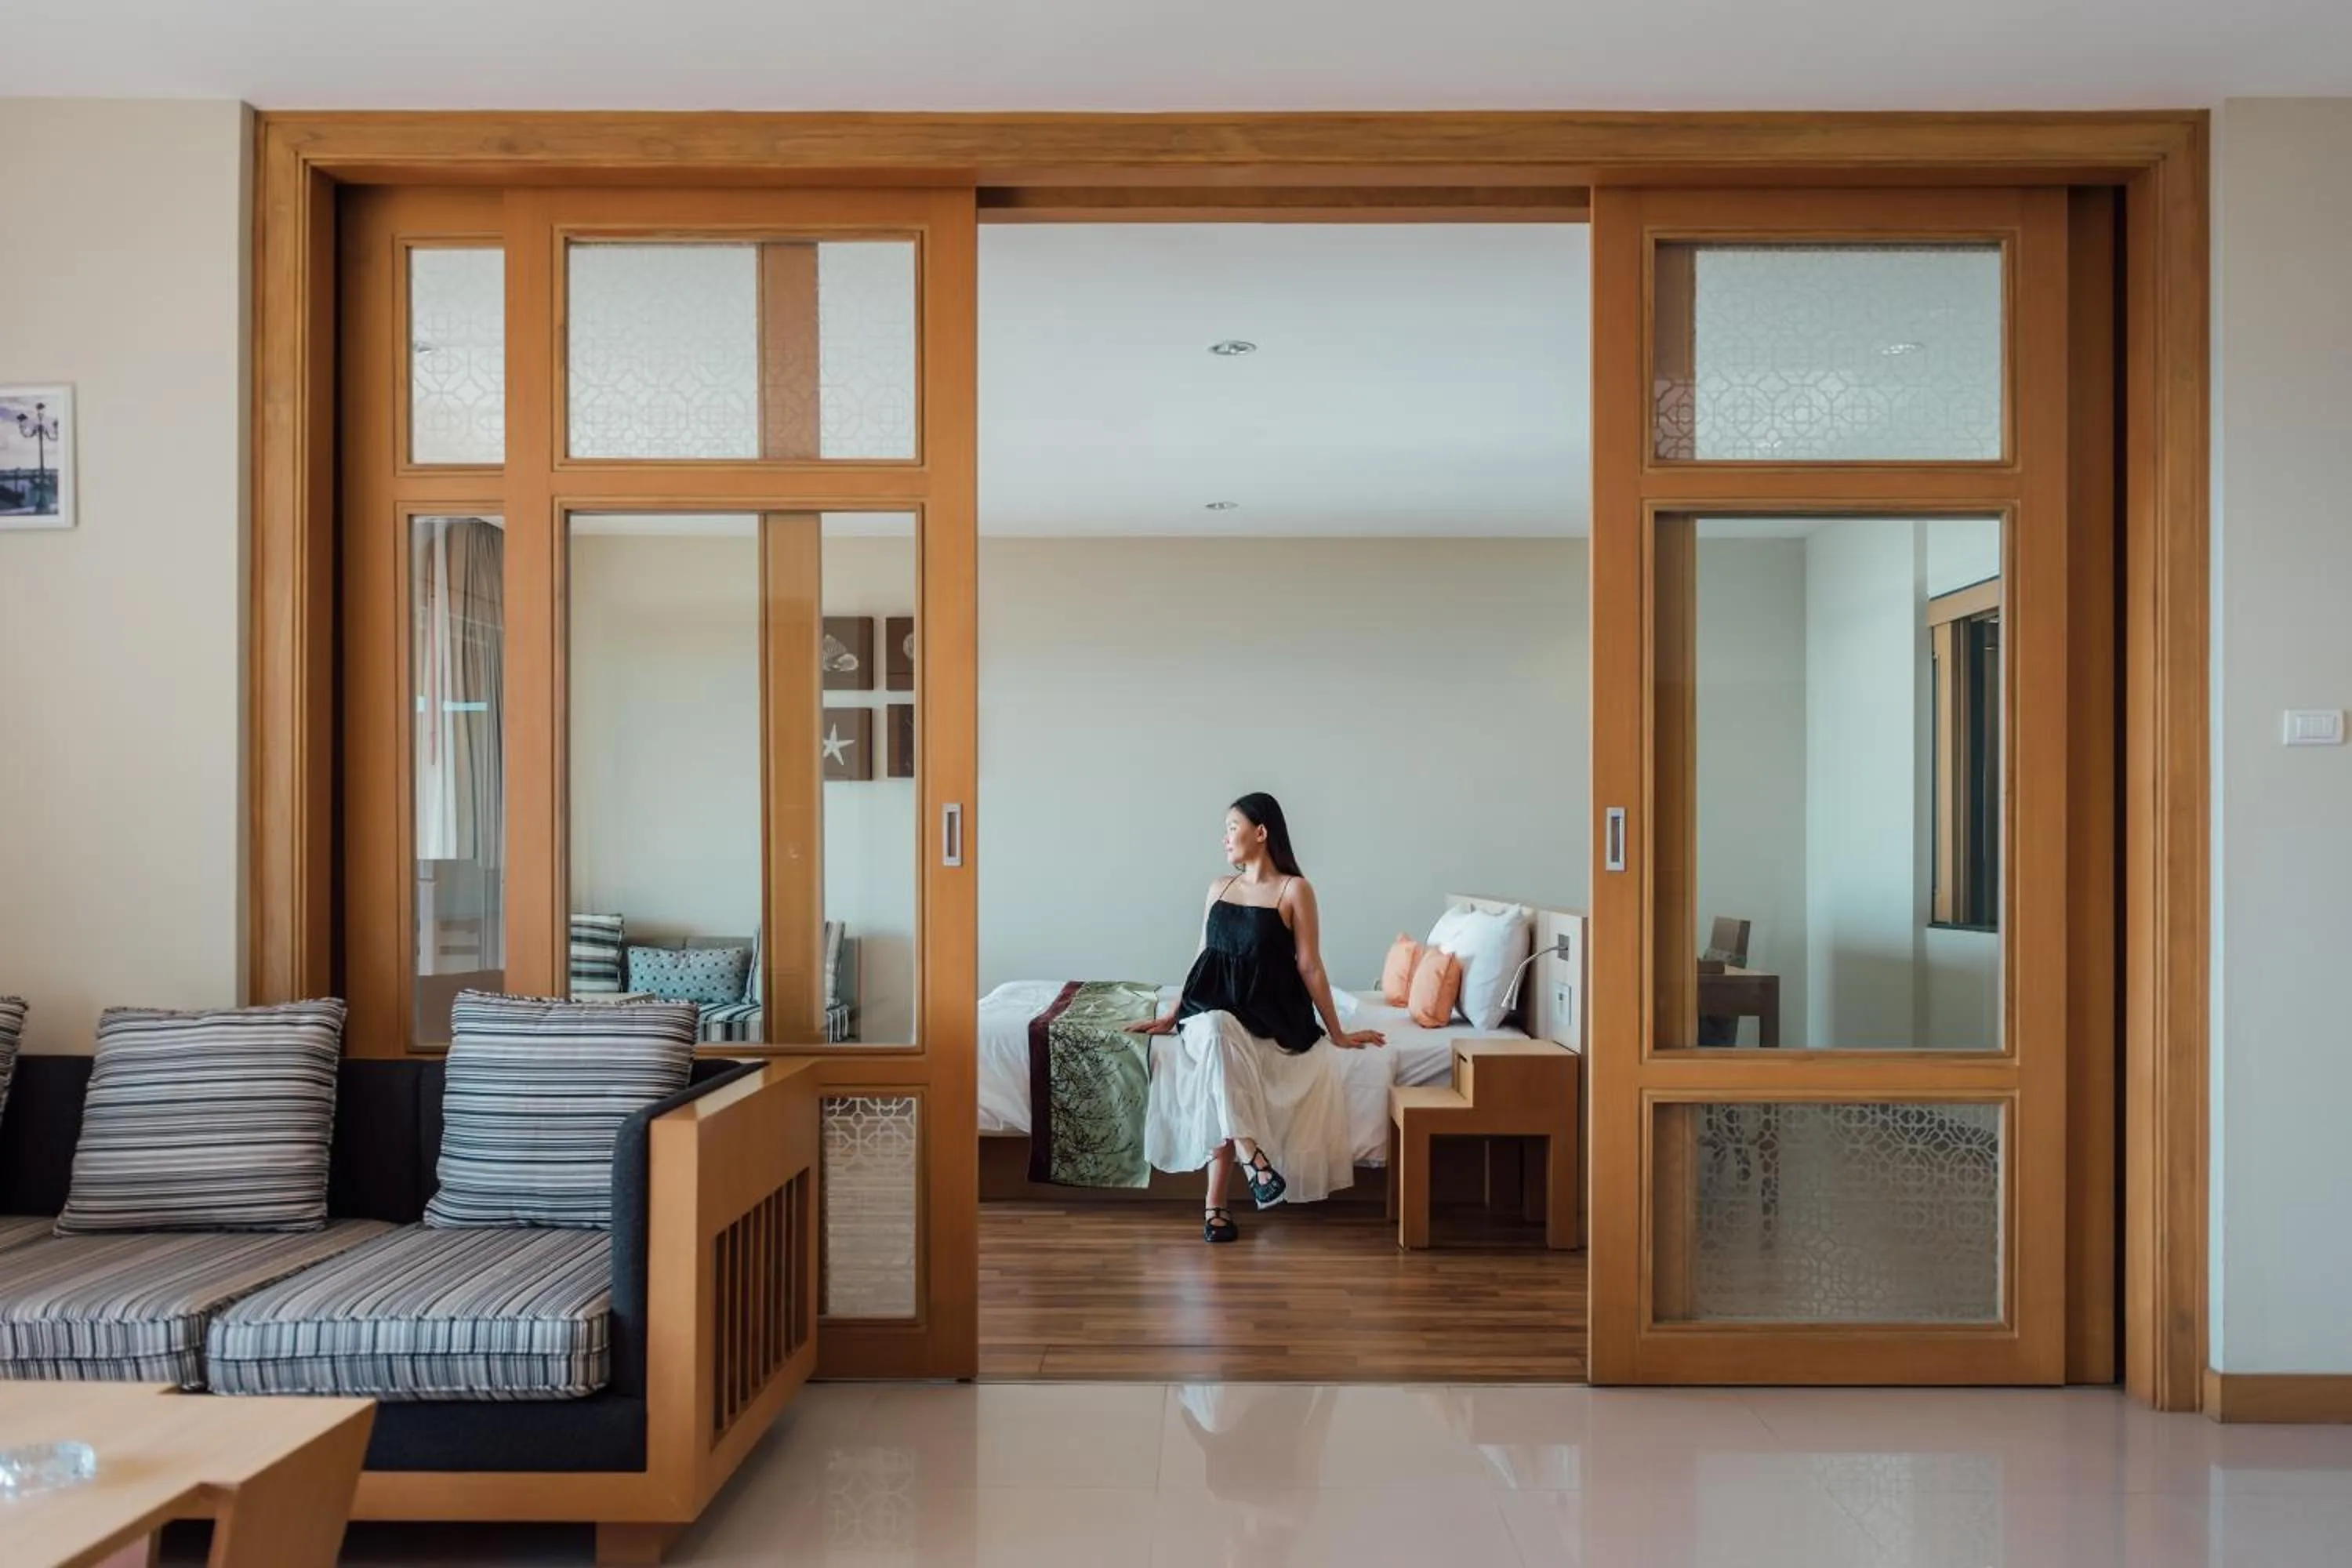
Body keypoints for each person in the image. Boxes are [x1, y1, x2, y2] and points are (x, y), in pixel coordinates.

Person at [1130, 793, 1385, 1243]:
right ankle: (1251, 1159)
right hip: (1211, 1011)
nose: (1224, 837)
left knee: (1224, 1050)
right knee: (1213, 1028)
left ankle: (1218, 1206)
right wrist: (1173, 1015)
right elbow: (1201, 957)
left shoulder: (1294, 891)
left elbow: (1310, 965)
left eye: (1232, 827)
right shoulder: (1218, 888)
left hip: (1267, 1017)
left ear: (1261, 832)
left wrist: (1337, 1032)